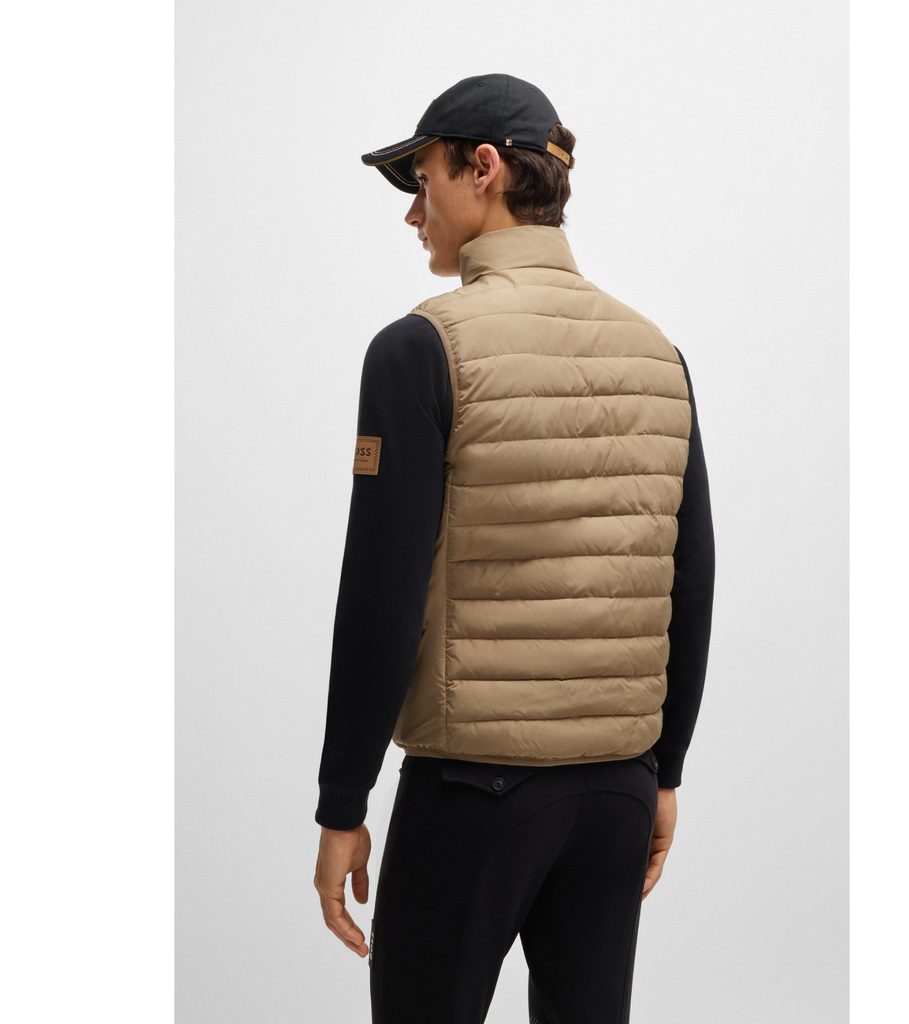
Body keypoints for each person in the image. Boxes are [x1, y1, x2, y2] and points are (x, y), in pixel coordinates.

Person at [313, 73, 715, 1024]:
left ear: (483, 169)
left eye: (423, 180)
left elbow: (381, 592)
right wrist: (664, 771)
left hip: (473, 794)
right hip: (617, 793)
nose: (414, 211)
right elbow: (689, 575)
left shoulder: (421, 349)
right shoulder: (658, 353)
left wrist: (342, 802)